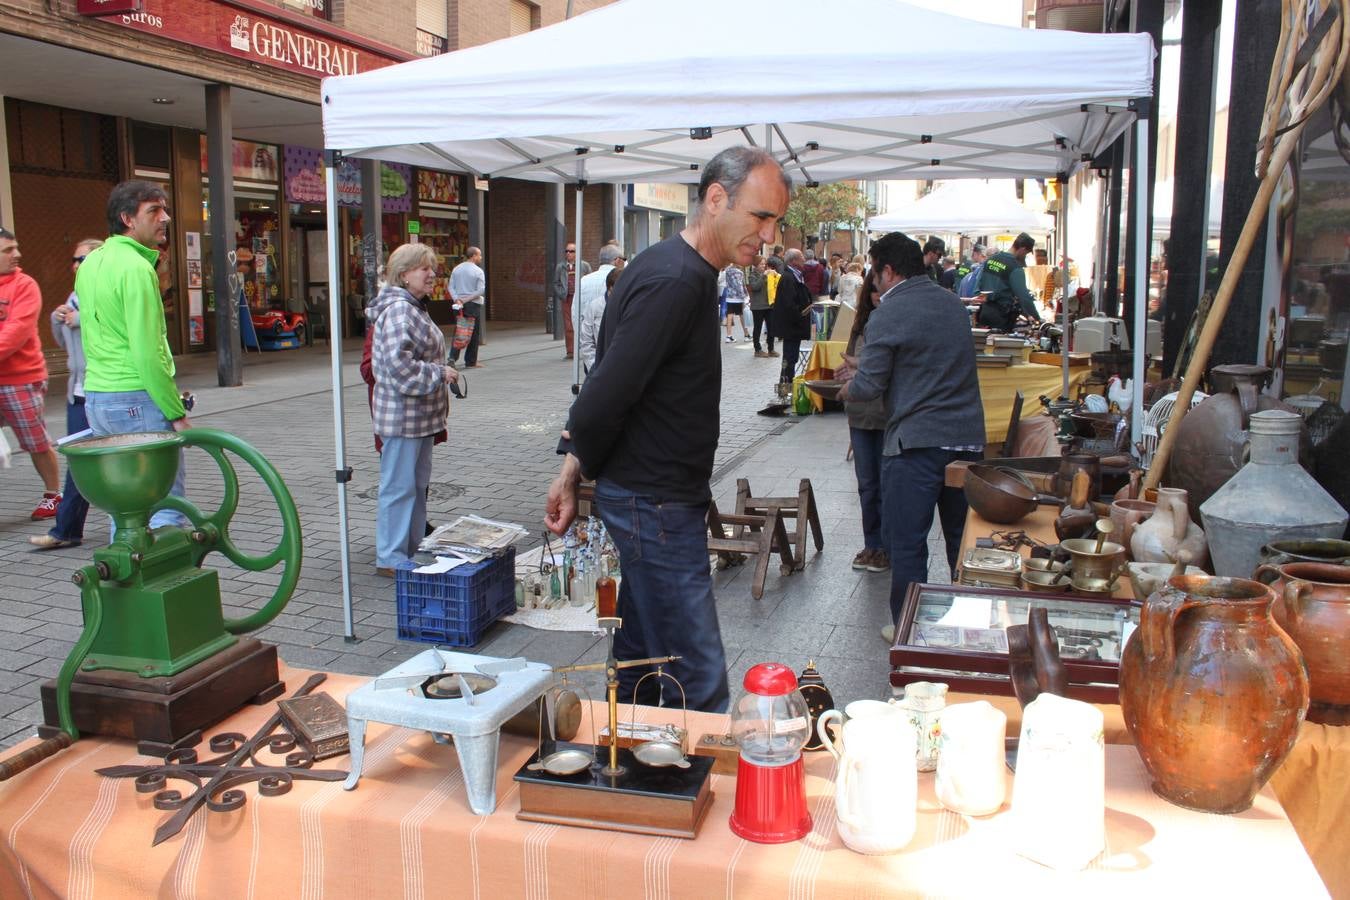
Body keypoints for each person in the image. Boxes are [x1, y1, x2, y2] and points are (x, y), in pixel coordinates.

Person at [544, 146, 790, 713]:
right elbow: (602, 396)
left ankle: (628, 763)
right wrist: (576, 470)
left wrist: (574, 468)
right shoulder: (675, 280)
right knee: (697, 676)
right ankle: (694, 784)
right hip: (652, 504)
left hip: (652, 498)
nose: (769, 235)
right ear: (715, 199)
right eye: (760, 217)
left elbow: (611, 381)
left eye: (775, 221)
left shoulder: (681, 272)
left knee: (638, 660)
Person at [837, 232, 984, 641]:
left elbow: (869, 387)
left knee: (908, 542)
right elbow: (923, 362)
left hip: (916, 443)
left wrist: (851, 385)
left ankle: (907, 625)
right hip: (966, 440)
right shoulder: (952, 303)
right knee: (961, 540)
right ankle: (968, 624)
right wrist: (863, 368)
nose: (874, 283)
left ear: (888, 269)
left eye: (875, 272)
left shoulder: (890, 310)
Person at [76, 181, 192, 529]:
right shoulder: (136, 268)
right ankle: (164, 578)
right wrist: (175, 412)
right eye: (154, 211)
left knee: (125, 507)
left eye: (164, 209)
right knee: (164, 503)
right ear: (127, 218)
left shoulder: (91, 263)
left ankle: (126, 581)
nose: (166, 218)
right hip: (137, 399)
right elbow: (147, 351)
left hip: (99, 397)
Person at [368, 243, 460, 575]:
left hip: (418, 418)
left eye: (432, 268)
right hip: (404, 417)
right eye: (425, 268)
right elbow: (397, 367)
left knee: (415, 486)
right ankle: (391, 556)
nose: (432, 274)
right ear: (404, 273)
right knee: (399, 487)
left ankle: (405, 550)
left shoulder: (411, 307)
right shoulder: (399, 310)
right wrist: (438, 373)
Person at [30, 239, 103, 550]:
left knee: (107, 462)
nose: (76, 265)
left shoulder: (106, 294)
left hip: (106, 391)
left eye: (82, 259)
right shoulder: (75, 297)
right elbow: (65, 345)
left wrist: (82, 320)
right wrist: (58, 319)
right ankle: (67, 530)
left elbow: (116, 334)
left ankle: (68, 530)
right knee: (79, 462)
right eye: (74, 259)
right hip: (78, 393)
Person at [0, 227, 63, 521]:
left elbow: (16, 333)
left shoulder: (25, 285)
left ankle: (54, 495)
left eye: (16, 248)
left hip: (21, 379)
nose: (17, 254)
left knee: (35, 441)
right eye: (8, 250)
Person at [841, 268, 888, 574]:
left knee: (888, 486)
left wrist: (860, 373)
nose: (878, 296)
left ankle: (887, 547)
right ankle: (872, 544)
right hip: (860, 414)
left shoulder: (894, 324)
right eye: (873, 290)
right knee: (867, 486)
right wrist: (845, 374)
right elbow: (851, 364)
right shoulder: (859, 326)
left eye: (880, 289)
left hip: (887, 415)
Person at [976, 232, 1042, 331]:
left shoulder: (991, 260)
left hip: (985, 312)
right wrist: (1037, 318)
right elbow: (1023, 296)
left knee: (985, 344)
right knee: (1000, 345)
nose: (1025, 256)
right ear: (1022, 249)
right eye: (1026, 253)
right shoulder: (1014, 267)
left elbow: (979, 285)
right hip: (1001, 316)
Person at [577, 243, 625, 371]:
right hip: (598, 357)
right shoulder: (621, 279)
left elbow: (575, 313)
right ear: (617, 260)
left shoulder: (584, 280)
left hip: (592, 356)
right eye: (623, 259)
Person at [772, 248, 814, 388]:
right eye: (801, 257)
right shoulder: (788, 277)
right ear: (794, 261)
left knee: (792, 357)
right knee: (789, 357)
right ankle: (785, 386)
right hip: (792, 326)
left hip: (795, 326)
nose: (804, 260)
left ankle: (787, 384)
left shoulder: (796, 275)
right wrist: (800, 314)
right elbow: (788, 304)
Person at [552, 241, 591, 360]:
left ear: (577, 253)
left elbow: (590, 280)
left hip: (581, 299)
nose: (568, 253)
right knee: (569, 326)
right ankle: (570, 352)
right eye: (567, 251)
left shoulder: (584, 265)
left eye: (571, 251)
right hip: (567, 299)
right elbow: (555, 283)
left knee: (583, 324)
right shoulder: (561, 266)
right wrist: (561, 294)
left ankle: (585, 349)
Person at [448, 246, 486, 368]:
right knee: (473, 332)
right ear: (473, 256)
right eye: (479, 255)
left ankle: (452, 357)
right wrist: (467, 299)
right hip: (473, 304)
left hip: (458, 305)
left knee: (460, 330)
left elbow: (451, 287)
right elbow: (480, 290)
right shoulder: (478, 271)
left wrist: (457, 299)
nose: (480, 257)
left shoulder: (456, 269)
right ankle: (471, 361)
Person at [746, 255, 776, 358]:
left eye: (764, 264)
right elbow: (755, 287)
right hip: (758, 306)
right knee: (757, 328)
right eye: (761, 264)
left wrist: (775, 276)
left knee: (771, 327)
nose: (764, 266)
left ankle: (771, 349)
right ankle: (757, 350)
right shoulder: (752, 275)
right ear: (755, 265)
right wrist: (764, 275)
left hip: (769, 305)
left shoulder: (768, 273)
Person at [722, 262, 749, 342]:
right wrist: (745, 296)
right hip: (738, 297)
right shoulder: (739, 272)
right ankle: (746, 334)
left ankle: (729, 336)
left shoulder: (727, 271)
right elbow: (740, 285)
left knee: (729, 315)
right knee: (741, 314)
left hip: (729, 296)